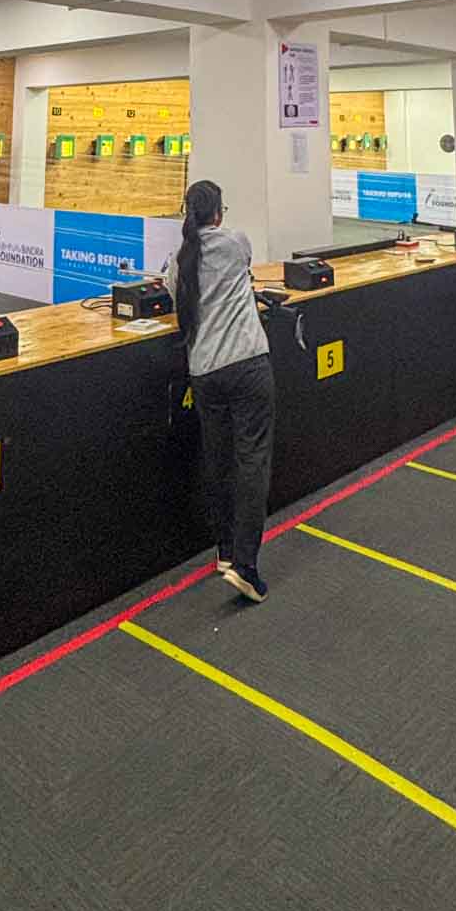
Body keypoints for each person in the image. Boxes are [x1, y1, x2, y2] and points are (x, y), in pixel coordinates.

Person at [162, 179, 275, 604]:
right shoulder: (234, 242)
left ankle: (225, 553)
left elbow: (176, 296)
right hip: (247, 365)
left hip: (205, 372)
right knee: (252, 463)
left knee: (220, 461)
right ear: (218, 213)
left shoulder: (180, 260)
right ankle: (245, 565)